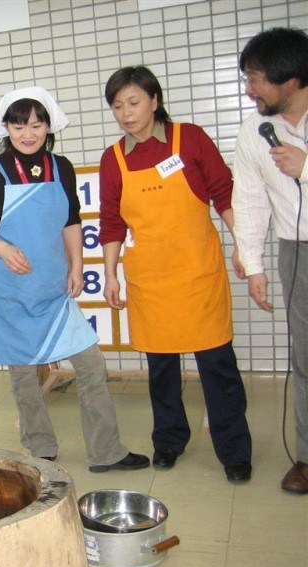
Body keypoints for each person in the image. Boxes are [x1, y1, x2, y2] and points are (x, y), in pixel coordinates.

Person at [0, 86, 149, 473]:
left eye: (36, 124)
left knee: (90, 364)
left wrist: (77, 267)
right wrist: (3, 249)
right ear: (7, 129)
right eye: (19, 126)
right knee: (24, 377)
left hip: (52, 289)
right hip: (11, 290)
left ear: (49, 125)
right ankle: (40, 449)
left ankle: (106, 451)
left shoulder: (60, 167)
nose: (28, 133)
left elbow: (71, 222)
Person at [98, 66, 253, 483]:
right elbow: (111, 222)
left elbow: (223, 191)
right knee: (161, 368)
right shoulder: (113, 159)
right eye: (117, 106)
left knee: (217, 366)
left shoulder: (191, 139)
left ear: (154, 100)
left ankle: (234, 449)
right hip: (150, 278)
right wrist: (111, 274)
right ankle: (168, 440)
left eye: (133, 102)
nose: (126, 113)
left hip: (197, 273)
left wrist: (244, 244)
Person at [232, 27, 308, 495]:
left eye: (257, 78)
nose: (249, 89)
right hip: (295, 250)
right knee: (305, 357)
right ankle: (306, 455)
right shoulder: (253, 131)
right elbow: (250, 200)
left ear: (292, 79)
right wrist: (253, 264)